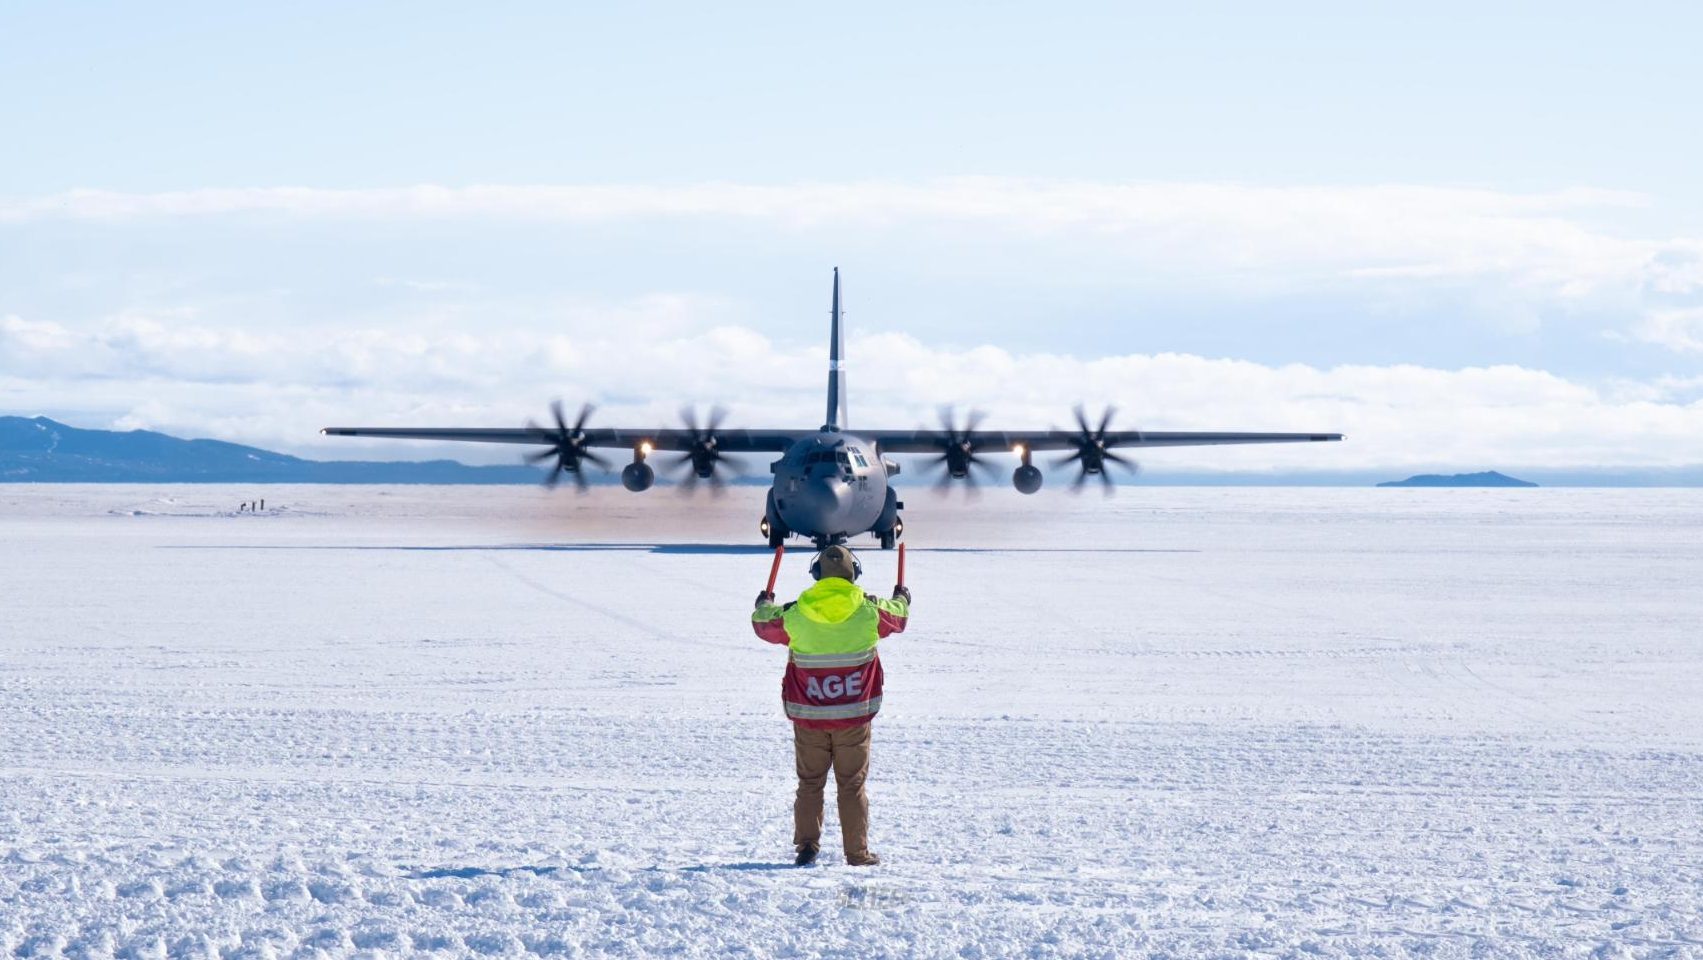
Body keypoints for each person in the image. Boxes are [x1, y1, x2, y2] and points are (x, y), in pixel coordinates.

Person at [752, 544, 910, 866]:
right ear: (853, 575)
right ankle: (857, 853)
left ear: (817, 574)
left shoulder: (796, 613)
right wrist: (903, 596)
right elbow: (899, 616)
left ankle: (807, 848)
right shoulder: (869, 611)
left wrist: (764, 603)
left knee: (810, 783)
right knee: (851, 785)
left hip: (809, 718)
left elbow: (763, 624)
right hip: (853, 717)